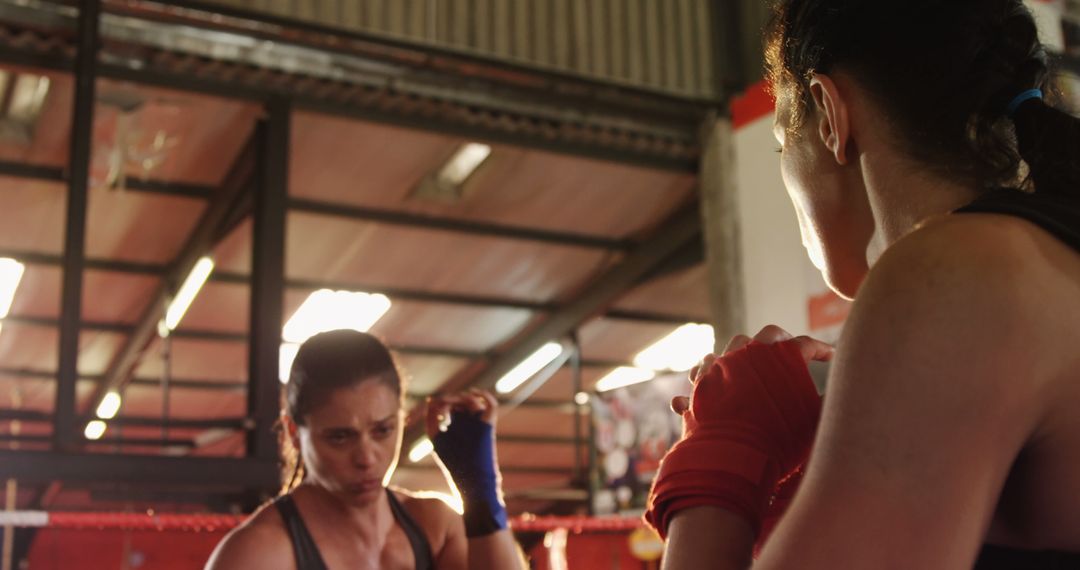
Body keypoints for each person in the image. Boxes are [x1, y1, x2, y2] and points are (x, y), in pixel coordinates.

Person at [646, 1, 1080, 568]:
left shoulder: (950, 274)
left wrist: (722, 451)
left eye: (783, 143)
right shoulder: (1038, 257)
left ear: (830, 114)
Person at [205, 330, 527, 569]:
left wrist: (482, 495)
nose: (367, 458)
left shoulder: (435, 527)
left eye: (383, 430)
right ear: (294, 433)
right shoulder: (259, 554)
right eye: (340, 437)